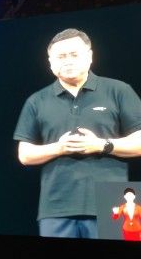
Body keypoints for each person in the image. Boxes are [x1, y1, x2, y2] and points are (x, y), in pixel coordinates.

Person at [14, 28, 141, 238]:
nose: (68, 61)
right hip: (55, 206)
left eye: (74, 54)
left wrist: (101, 145)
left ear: (90, 56)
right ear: (50, 62)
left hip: (114, 200)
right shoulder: (37, 100)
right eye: (61, 56)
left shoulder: (119, 90)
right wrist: (59, 148)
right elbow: (24, 155)